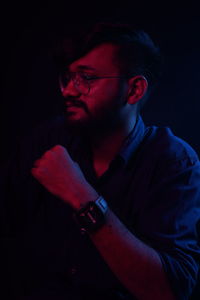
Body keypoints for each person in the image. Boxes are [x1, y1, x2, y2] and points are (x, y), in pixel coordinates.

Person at [1, 22, 200, 300]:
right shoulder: (49, 138)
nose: (69, 90)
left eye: (87, 78)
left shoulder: (174, 163)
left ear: (134, 91)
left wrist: (81, 195)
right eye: (67, 77)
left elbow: (169, 291)